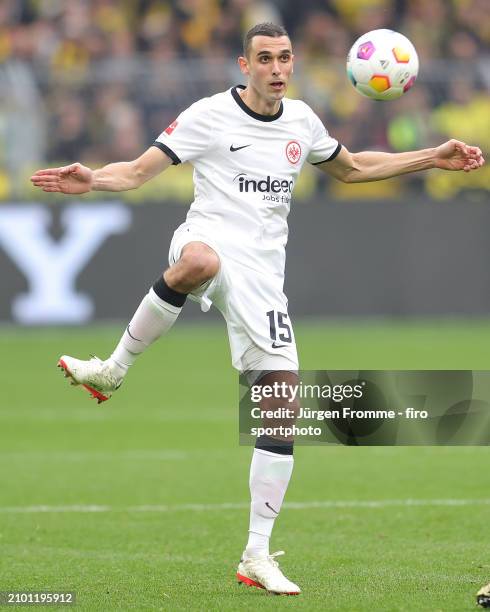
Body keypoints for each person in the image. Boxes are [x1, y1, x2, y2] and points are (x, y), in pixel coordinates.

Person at [30, 22, 485, 596]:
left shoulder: (301, 123)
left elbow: (354, 168)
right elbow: (139, 171)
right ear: (244, 66)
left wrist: (432, 157)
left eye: (285, 58)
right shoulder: (207, 116)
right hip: (209, 237)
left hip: (263, 277)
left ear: (292, 65)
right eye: (264, 58)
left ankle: (256, 553)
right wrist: (93, 178)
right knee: (198, 262)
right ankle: (112, 370)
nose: (276, 67)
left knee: (281, 399)